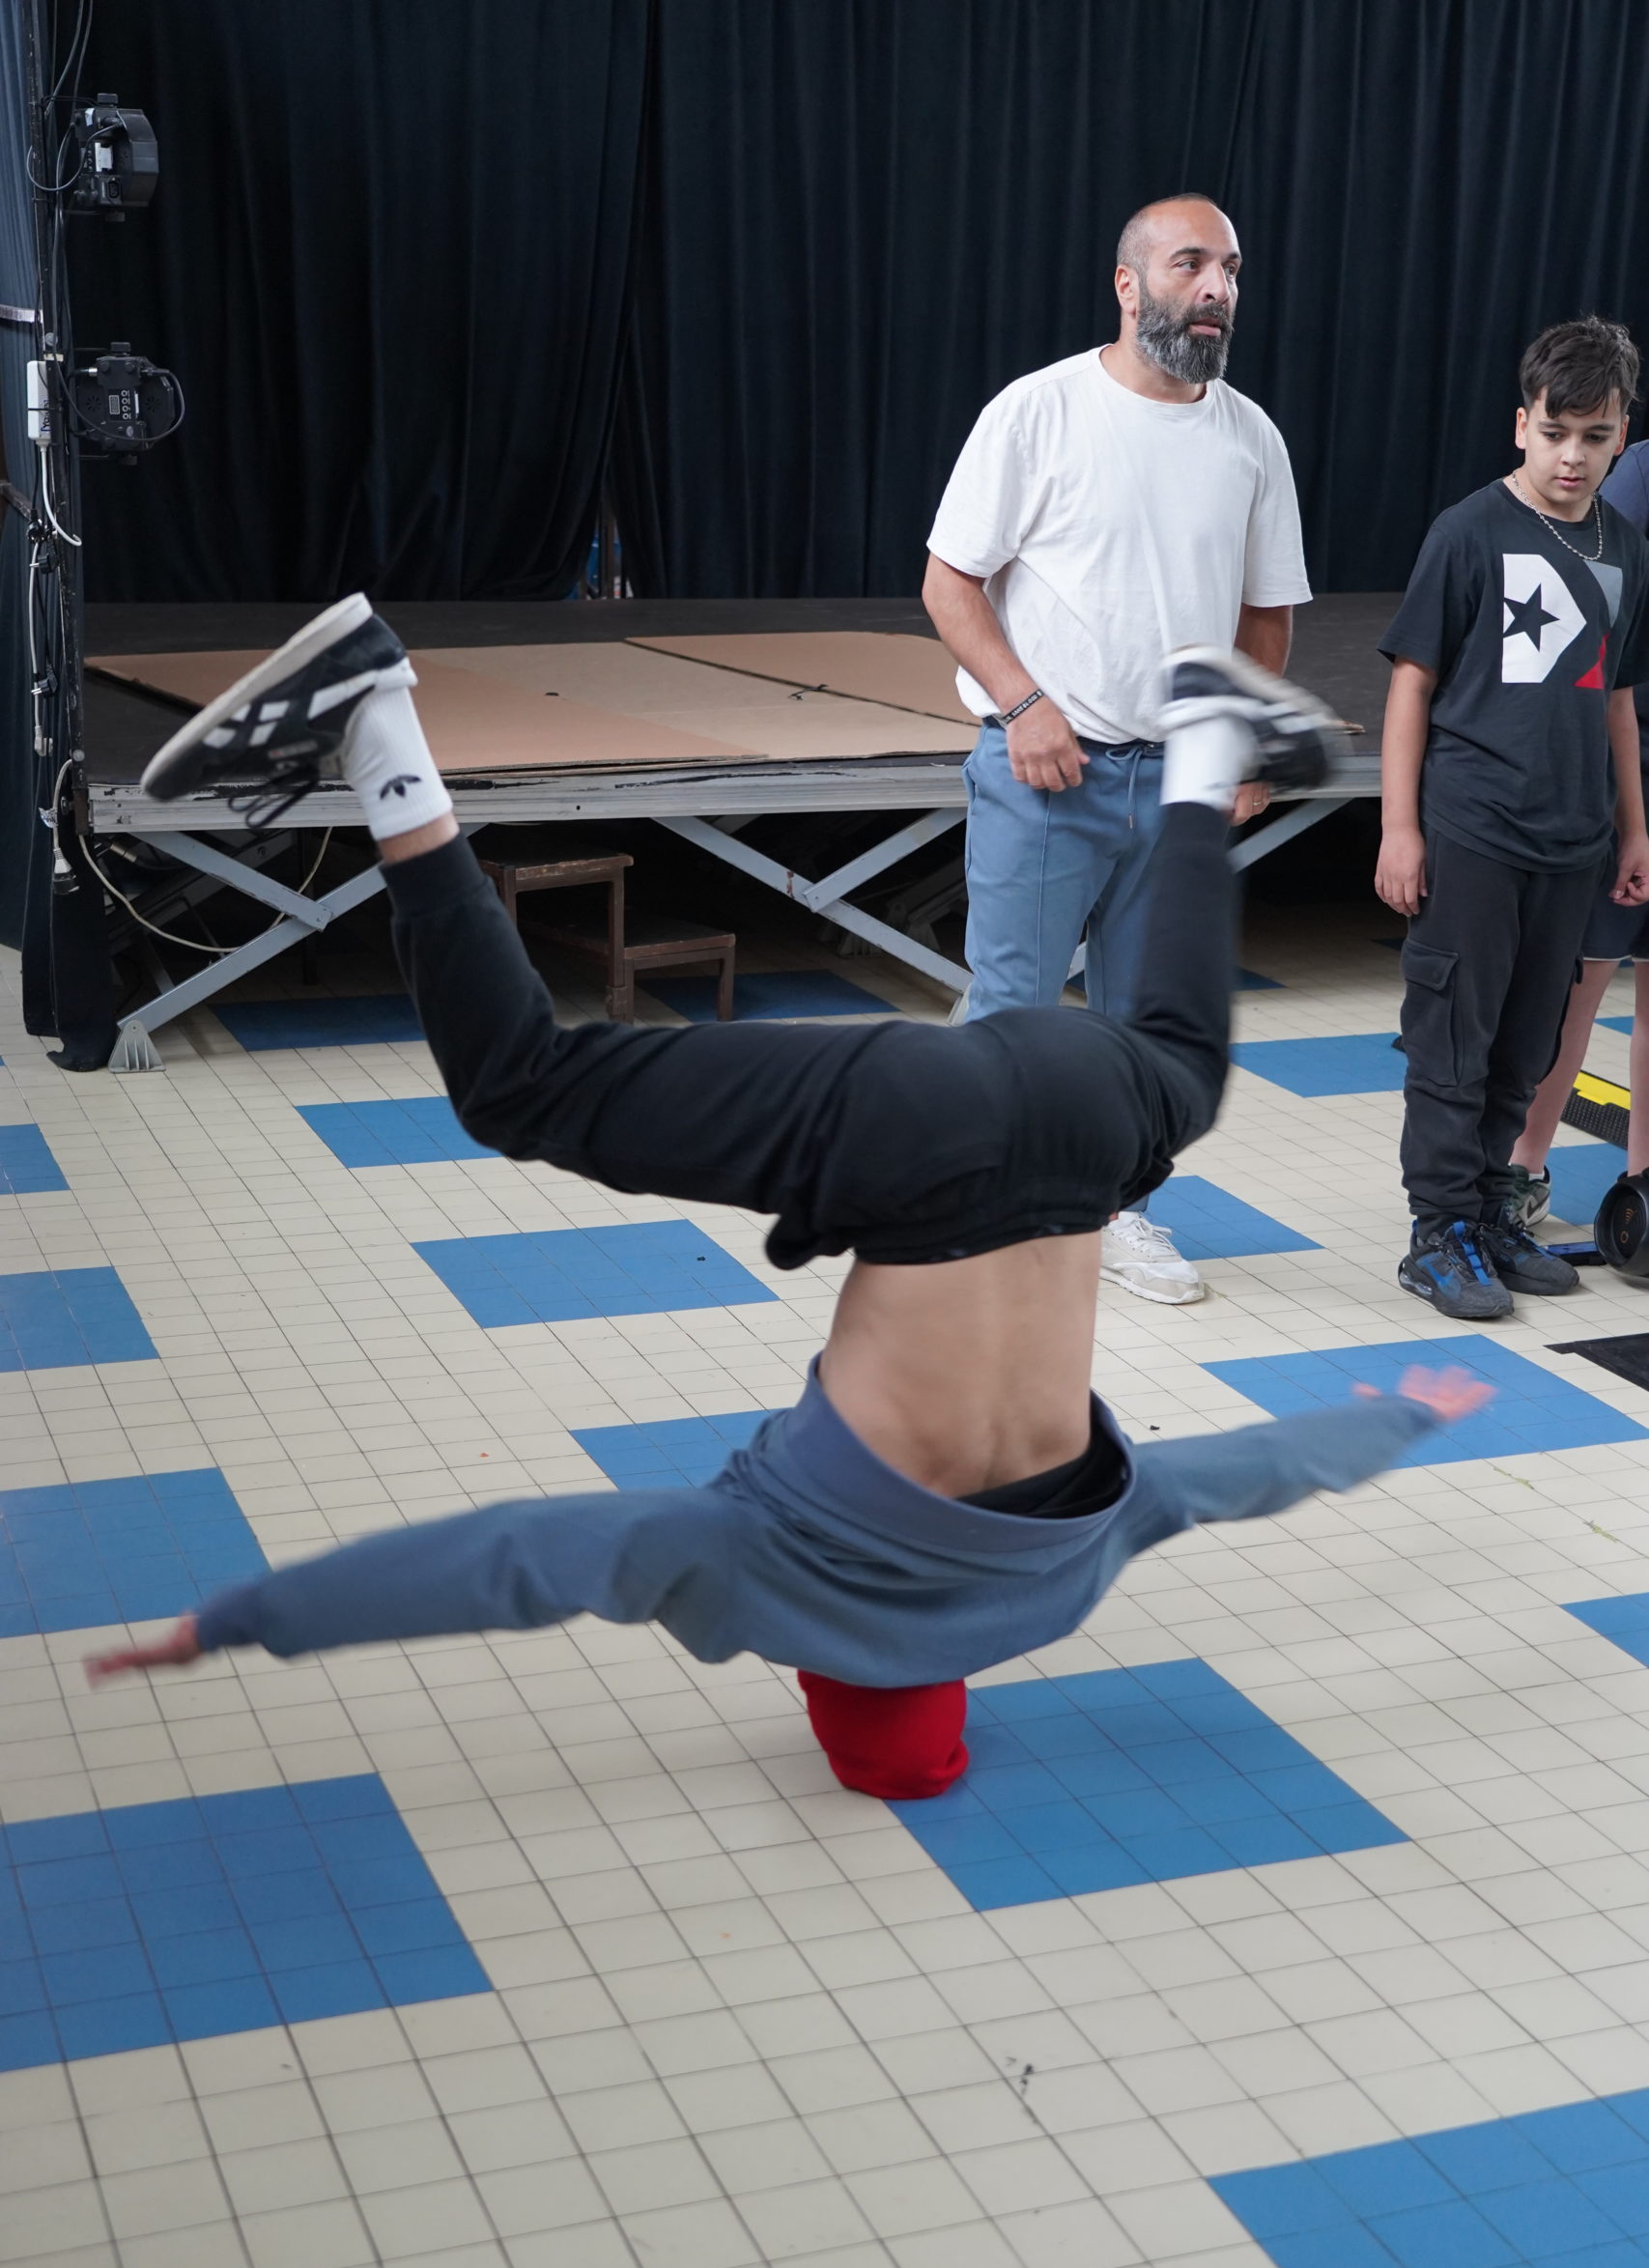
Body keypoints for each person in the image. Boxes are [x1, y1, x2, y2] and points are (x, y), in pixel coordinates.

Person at [87, 601, 1489, 1800]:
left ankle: (1205, 746)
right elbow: (525, 1561)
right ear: (831, 1681)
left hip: (1083, 1120)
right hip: (914, 1143)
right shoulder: (773, 1580)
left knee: (1182, 1059)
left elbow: (1238, 1479)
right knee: (520, 1088)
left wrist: (1398, 1418)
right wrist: (248, 1619)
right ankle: (376, 726)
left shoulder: (1070, 1570)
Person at [922, 191, 1311, 1307]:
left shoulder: (1250, 437)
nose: (1218, 287)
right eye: (1192, 264)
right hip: (1049, 767)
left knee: (1144, 1025)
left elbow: (1267, 615)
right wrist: (1023, 705)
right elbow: (950, 584)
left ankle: (1112, 1211)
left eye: (1230, 268)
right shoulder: (1038, 412)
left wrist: (1239, 748)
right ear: (1129, 285)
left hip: (1179, 784)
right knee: (1014, 1009)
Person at [1375, 318, 1649, 1319]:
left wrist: (1633, 828)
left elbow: (1616, 697)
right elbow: (1411, 684)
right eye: (1556, 431)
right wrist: (1399, 828)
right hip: (1473, 830)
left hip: (1572, 842)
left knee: (1526, 1046)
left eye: (1595, 436)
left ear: (1622, 437)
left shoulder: (1625, 546)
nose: (1573, 455)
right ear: (1521, 425)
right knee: (1455, 1039)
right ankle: (1437, 1232)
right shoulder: (1468, 531)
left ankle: (1493, 1211)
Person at [1508, 431, 1649, 1226]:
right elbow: (1587, 624)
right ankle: (1520, 1168)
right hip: (1623, 770)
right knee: (1580, 984)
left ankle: (1642, 1183)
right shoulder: (1640, 476)